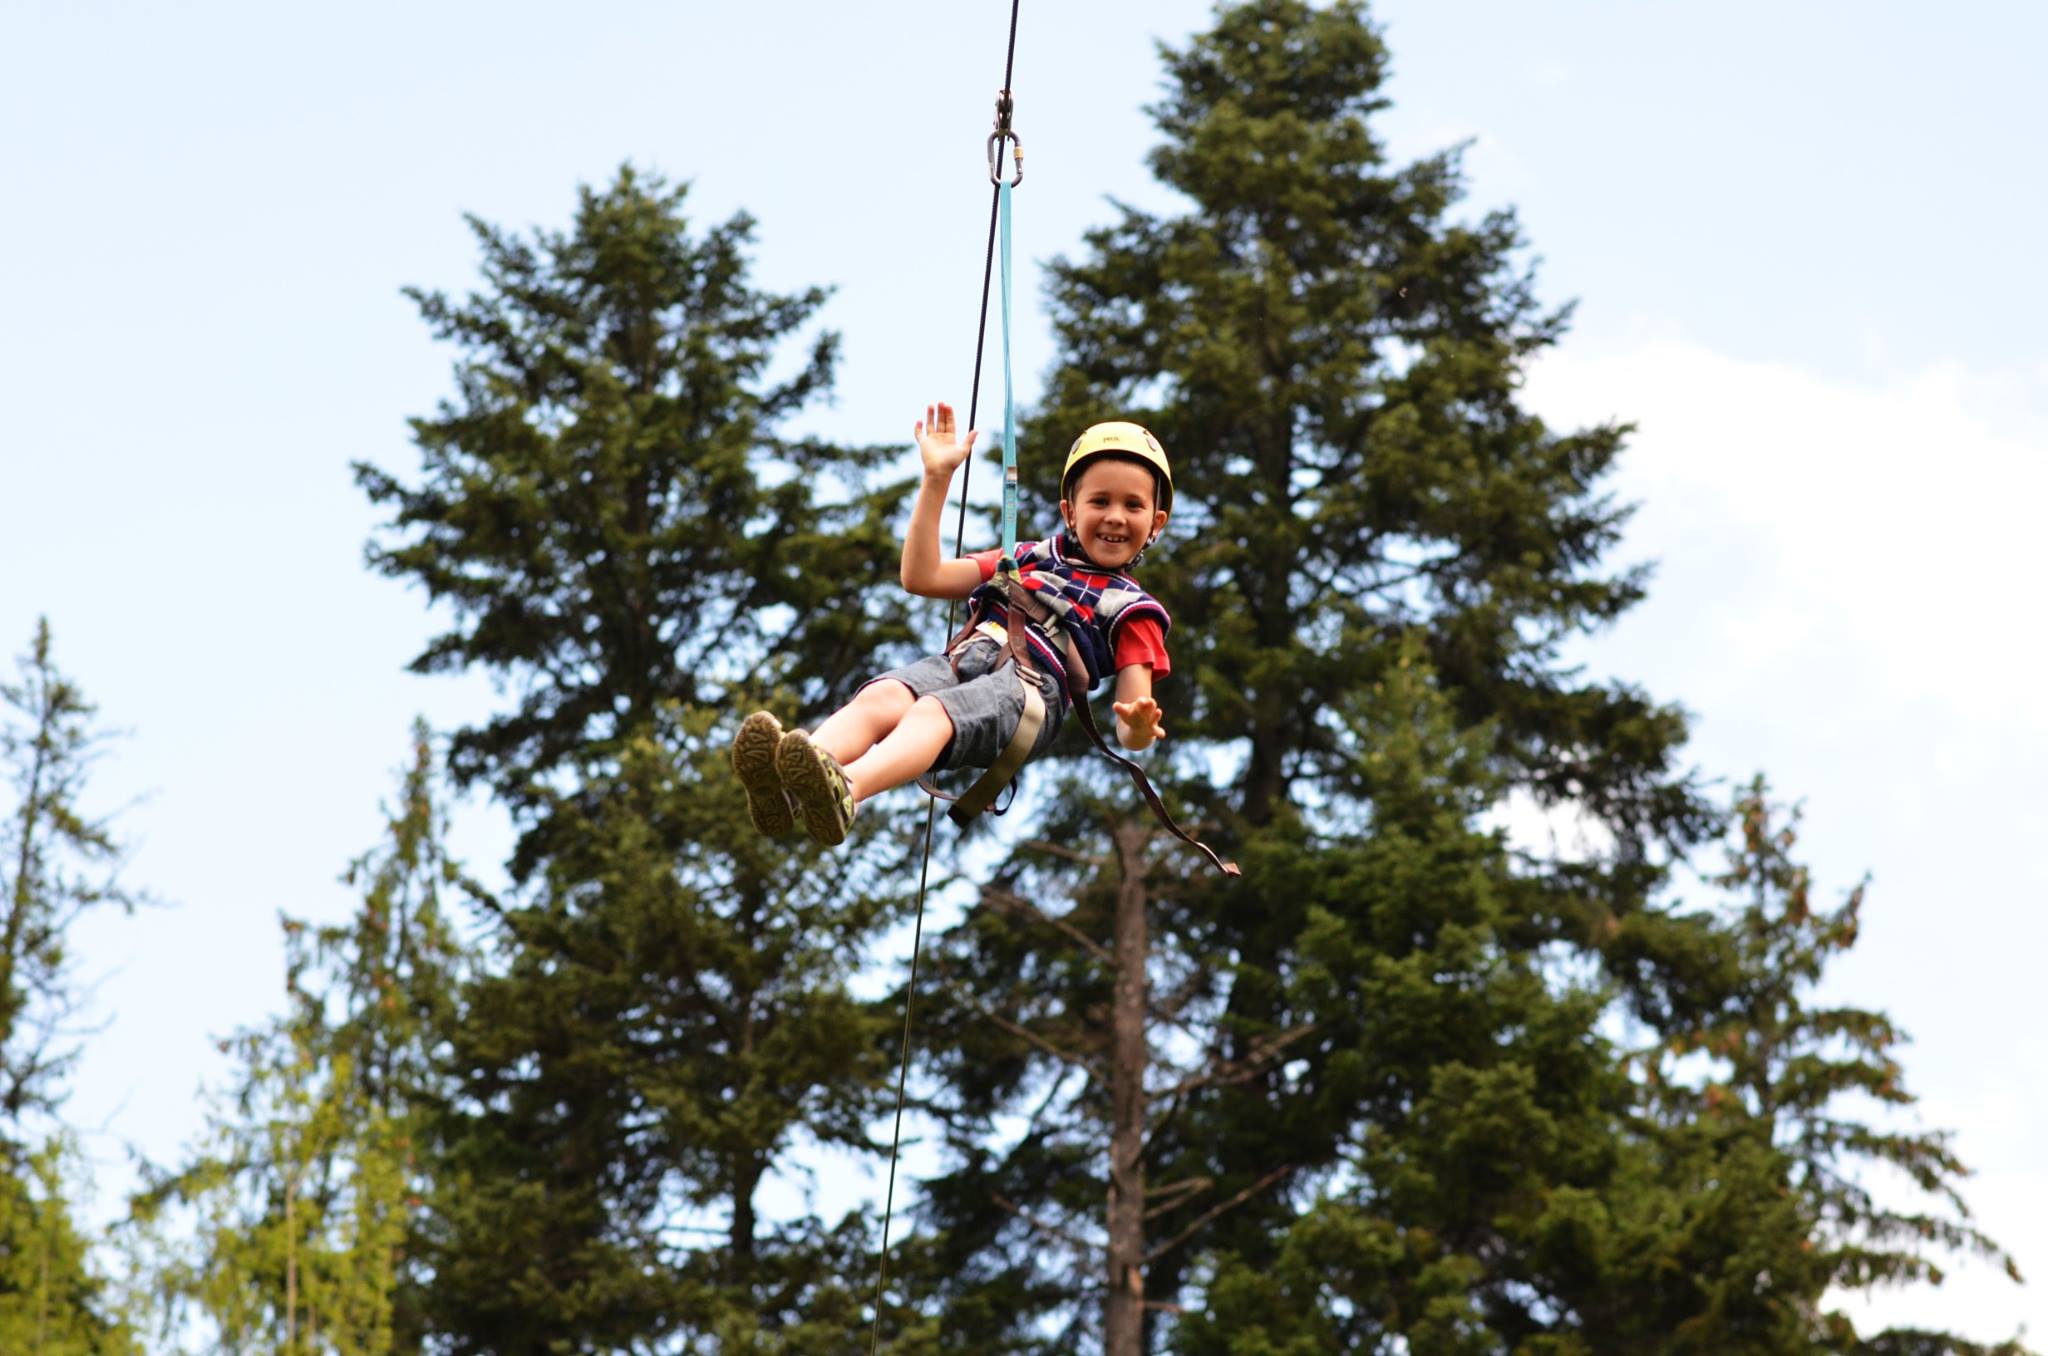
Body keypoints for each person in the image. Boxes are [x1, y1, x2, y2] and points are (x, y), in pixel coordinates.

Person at [730, 402, 1175, 847]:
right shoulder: (1025, 557)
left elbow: (1130, 719)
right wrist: (937, 478)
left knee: (933, 711)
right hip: (966, 655)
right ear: (1070, 511)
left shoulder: (1133, 610)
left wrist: (1137, 727)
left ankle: (848, 790)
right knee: (884, 695)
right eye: (1100, 501)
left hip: (1029, 692)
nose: (1115, 516)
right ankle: (793, 784)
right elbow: (923, 577)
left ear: (1156, 522)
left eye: (1132, 505)